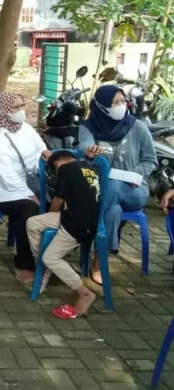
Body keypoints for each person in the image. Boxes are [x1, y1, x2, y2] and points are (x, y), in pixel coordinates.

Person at [79, 85, 157, 285]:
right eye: (115, 103)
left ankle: (81, 229)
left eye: (123, 101)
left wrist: (133, 174)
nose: (121, 106)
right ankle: (99, 262)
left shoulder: (136, 126)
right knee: (113, 210)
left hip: (134, 189)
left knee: (113, 187)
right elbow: (84, 144)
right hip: (101, 189)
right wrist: (90, 151)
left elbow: (151, 160)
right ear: (101, 106)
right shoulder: (89, 127)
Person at [0, 91, 51, 285]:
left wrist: (48, 154)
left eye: (22, 105)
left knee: (56, 202)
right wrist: (28, 194)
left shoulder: (25, 128)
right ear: (3, 110)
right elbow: (4, 173)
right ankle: (24, 265)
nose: (21, 110)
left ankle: (50, 258)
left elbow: (40, 146)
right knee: (30, 209)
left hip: (27, 181)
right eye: (16, 107)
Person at [27, 151, 100, 317]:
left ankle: (84, 293)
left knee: (50, 257)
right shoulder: (89, 167)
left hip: (77, 225)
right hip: (80, 217)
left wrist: (50, 215)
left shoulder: (66, 169)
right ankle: (43, 267)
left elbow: (58, 200)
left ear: (57, 165)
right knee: (33, 223)